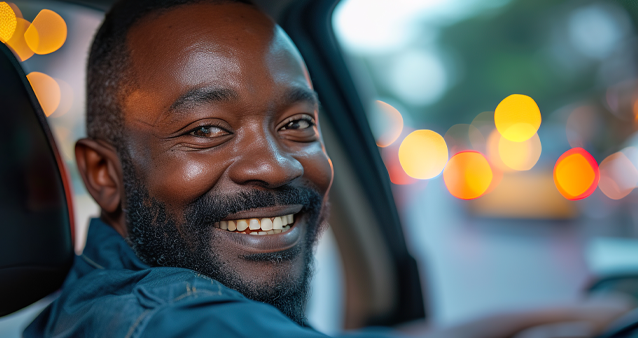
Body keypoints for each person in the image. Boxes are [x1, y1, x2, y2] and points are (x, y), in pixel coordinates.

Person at [23, 0, 633, 337]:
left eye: (297, 125)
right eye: (207, 130)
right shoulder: (177, 321)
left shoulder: (98, 303)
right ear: (104, 174)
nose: (275, 163)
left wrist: (565, 316)